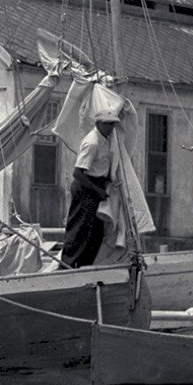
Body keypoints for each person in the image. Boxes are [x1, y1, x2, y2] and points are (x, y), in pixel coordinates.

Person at [61, 108, 119, 268]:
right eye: (107, 124)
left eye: (113, 123)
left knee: (95, 232)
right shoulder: (92, 142)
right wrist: (97, 190)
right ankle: (67, 266)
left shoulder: (106, 139)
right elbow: (78, 173)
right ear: (99, 123)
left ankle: (85, 267)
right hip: (86, 187)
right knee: (79, 230)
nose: (111, 127)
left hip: (96, 186)